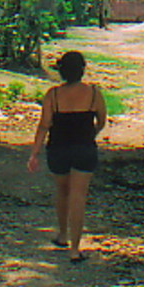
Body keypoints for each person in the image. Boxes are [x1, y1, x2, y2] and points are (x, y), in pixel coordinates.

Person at [27, 50, 108, 262]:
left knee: (62, 191)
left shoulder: (52, 95)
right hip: (84, 149)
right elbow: (101, 120)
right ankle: (75, 249)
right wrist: (92, 133)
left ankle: (62, 235)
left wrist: (34, 154)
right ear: (82, 70)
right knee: (78, 196)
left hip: (58, 150)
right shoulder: (93, 93)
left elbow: (44, 126)